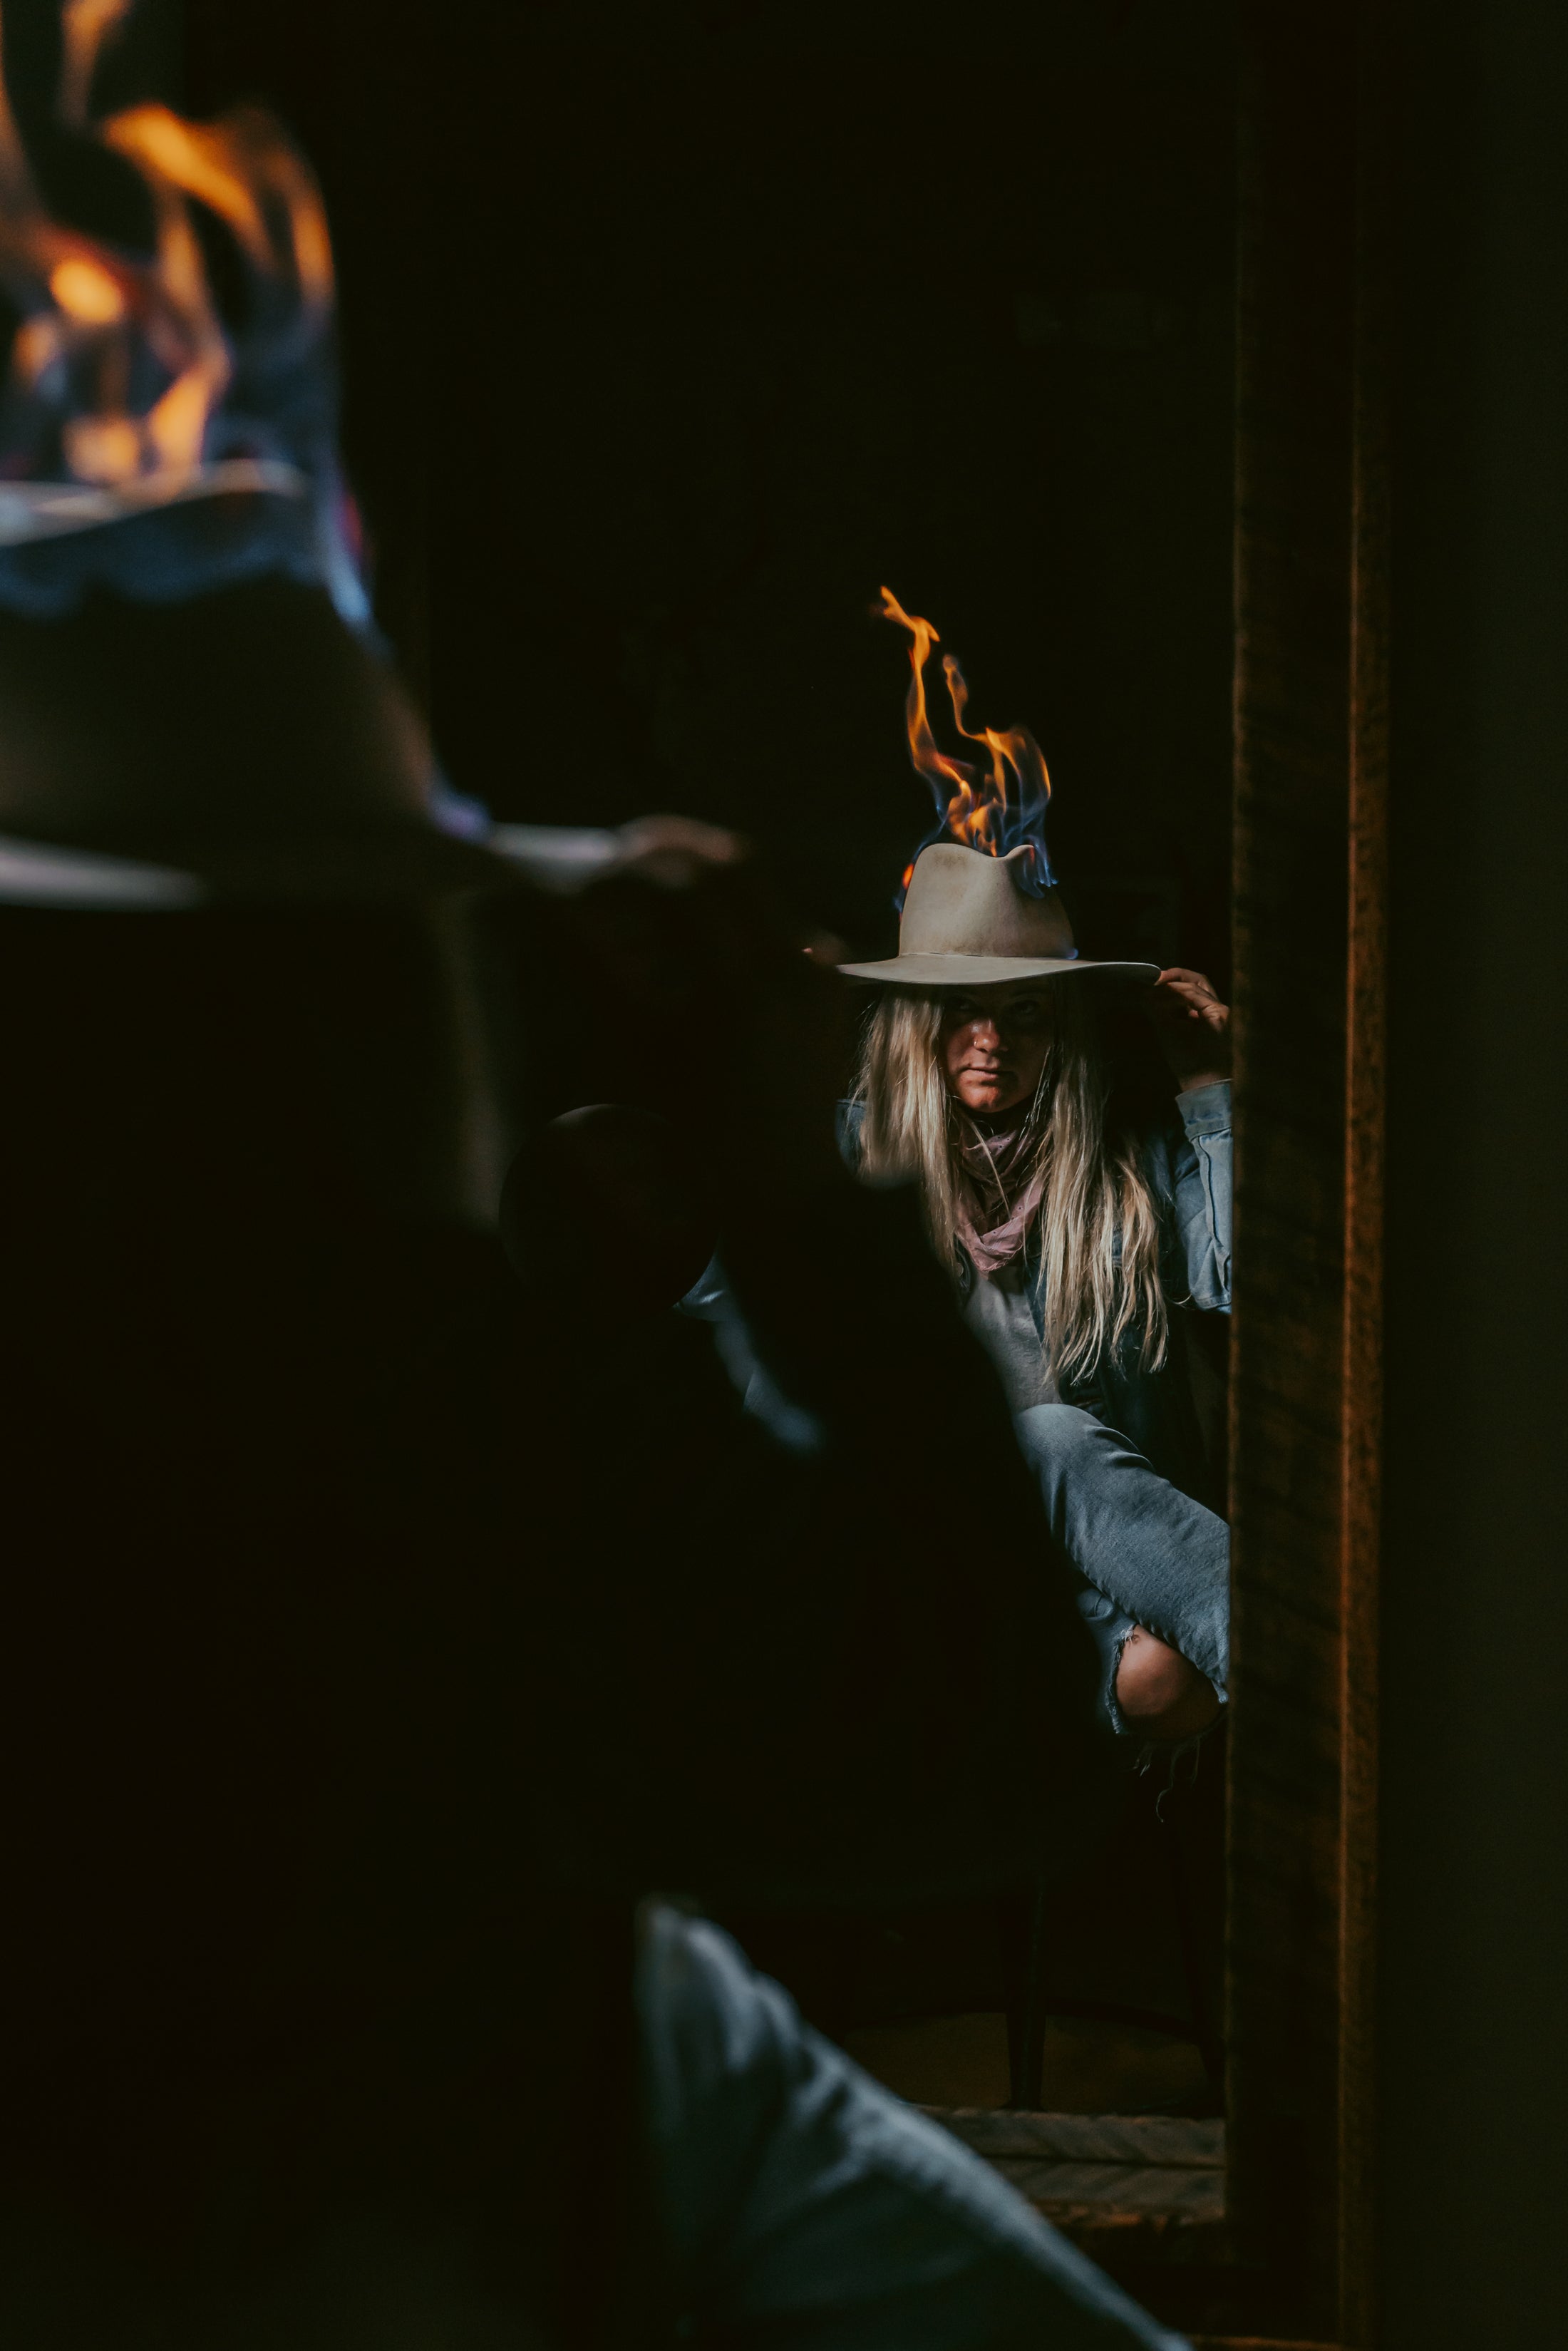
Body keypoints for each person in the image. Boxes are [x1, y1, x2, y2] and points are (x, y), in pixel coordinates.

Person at [838, 840, 1233, 1746]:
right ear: (914, 1021)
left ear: (1061, 1029)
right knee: (1037, 1435)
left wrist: (1208, 1086)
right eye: (963, 1009)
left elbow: (1241, 1288)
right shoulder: (852, 1163)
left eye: (1025, 1010)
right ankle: (1310, 1657)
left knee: (1159, 1670)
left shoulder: (1129, 1153)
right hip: (944, 1570)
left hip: (1125, 1573)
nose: (994, 1040)